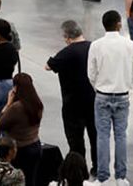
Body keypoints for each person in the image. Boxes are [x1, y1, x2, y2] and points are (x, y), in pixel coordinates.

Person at [88, 10, 133, 185]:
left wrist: (99, 87)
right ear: (119, 24)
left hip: (102, 95)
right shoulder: (129, 45)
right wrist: (125, 85)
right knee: (121, 135)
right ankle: (121, 177)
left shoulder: (96, 45)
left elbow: (91, 73)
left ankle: (103, 177)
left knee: (102, 136)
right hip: (122, 95)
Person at [45, 20, 96, 176]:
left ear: (67, 37)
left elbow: (48, 66)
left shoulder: (67, 52)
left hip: (72, 103)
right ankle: (99, 167)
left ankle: (80, 170)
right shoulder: (94, 47)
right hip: (94, 100)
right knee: (95, 136)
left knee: (76, 140)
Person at [0, 73, 43, 184]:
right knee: (31, 180)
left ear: (16, 88)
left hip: (20, 149)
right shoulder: (38, 104)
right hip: (35, 145)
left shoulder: (16, 108)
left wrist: (7, 104)